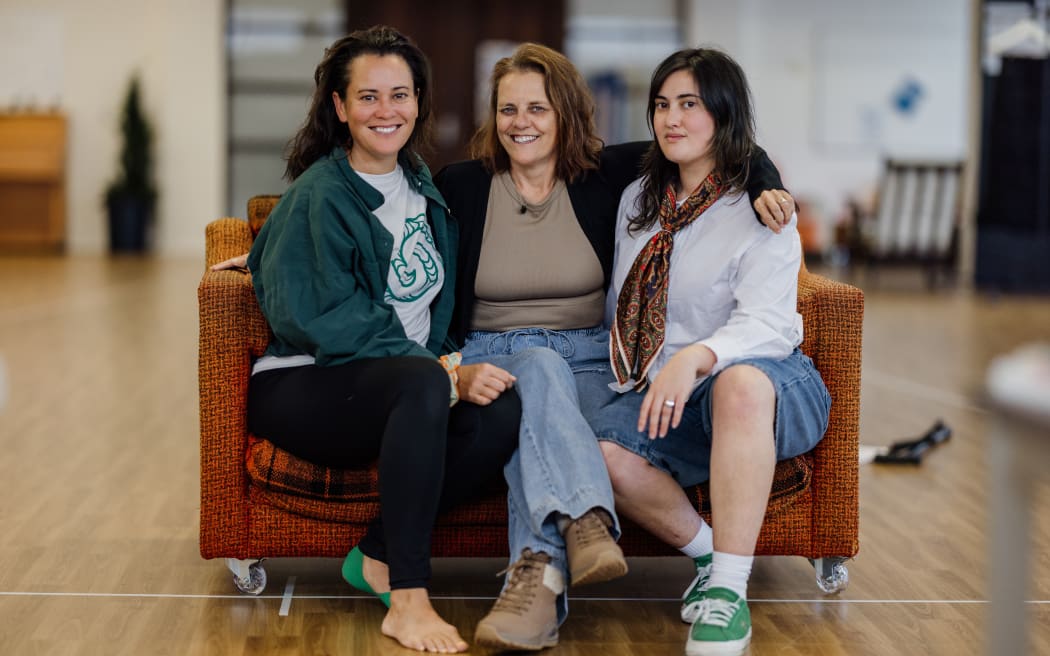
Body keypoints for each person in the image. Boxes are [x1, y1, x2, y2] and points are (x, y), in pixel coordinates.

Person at [434, 43, 796, 652]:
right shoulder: (463, 185)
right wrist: (269, 251)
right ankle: (584, 520)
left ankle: (536, 593)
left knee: (554, 414)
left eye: (538, 109)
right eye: (507, 109)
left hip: (593, 359)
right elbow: (390, 232)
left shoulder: (609, 178)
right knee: (539, 376)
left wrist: (765, 181)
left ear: (567, 115)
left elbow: (720, 143)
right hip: (493, 353)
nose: (521, 122)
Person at [242, 26, 521, 654]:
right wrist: (445, 375)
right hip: (306, 386)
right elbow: (330, 320)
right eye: (368, 97)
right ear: (340, 108)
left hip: (402, 386)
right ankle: (409, 598)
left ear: (419, 102)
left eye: (400, 94)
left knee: (503, 410)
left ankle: (373, 554)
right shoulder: (323, 192)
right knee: (425, 381)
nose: (386, 111)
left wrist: (755, 170)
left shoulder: (423, 186)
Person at [578, 47, 832, 656]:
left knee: (738, 382)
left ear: (723, 113)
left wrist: (701, 357)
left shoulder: (761, 206)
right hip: (672, 387)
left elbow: (770, 323)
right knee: (602, 453)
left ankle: (729, 594)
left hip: (769, 384)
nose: (672, 118)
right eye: (662, 105)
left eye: (689, 104)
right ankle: (709, 558)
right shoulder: (638, 199)